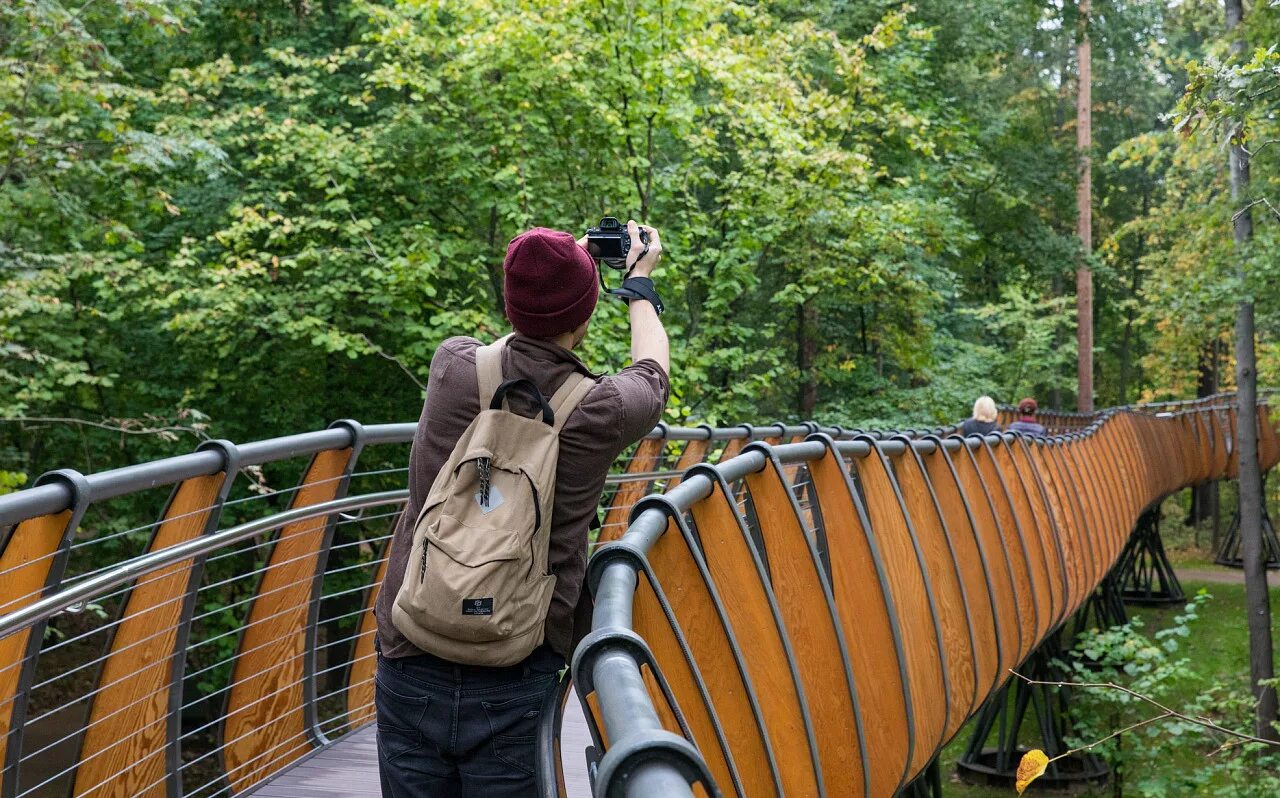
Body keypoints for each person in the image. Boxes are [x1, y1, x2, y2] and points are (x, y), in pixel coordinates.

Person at [373, 220, 669, 797]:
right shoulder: (598, 409)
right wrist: (637, 281)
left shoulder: (453, 367)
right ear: (584, 317)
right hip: (515, 665)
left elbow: (513, 335)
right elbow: (651, 375)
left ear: (510, 303)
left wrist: (560, 265)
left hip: (411, 649)